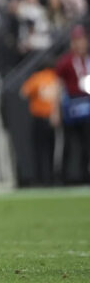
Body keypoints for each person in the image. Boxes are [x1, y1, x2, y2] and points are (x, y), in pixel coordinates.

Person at [54, 25, 90, 184]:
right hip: (71, 105)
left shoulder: (88, 60)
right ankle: (63, 176)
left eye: (82, 40)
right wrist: (55, 110)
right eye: (77, 40)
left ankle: (84, 174)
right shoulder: (66, 61)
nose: (80, 44)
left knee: (86, 142)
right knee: (68, 143)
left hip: (87, 104)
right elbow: (58, 85)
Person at [21, 58, 61, 186]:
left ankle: (40, 178)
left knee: (39, 149)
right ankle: (51, 177)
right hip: (52, 117)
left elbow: (24, 92)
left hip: (39, 117)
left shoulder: (37, 77)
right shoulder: (55, 78)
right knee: (51, 149)